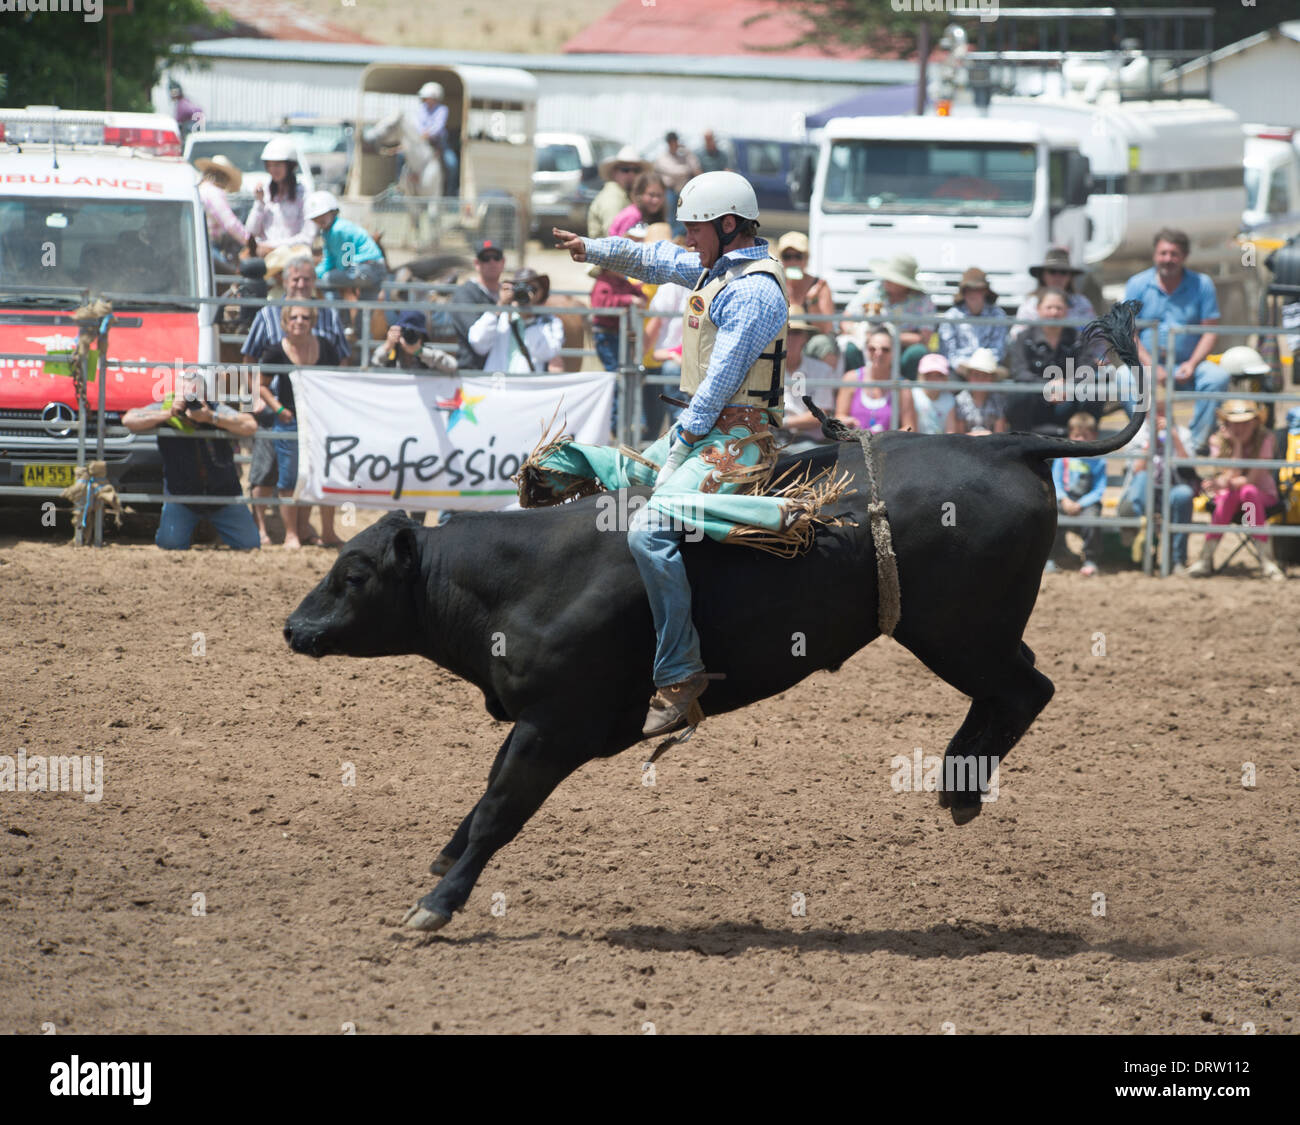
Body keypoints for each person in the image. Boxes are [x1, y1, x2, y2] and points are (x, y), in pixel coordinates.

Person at [550, 171, 798, 737]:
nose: (688, 238)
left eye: (695, 228)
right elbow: (656, 261)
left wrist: (680, 444)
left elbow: (721, 380)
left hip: (739, 442)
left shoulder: (755, 290)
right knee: (585, 464)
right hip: (706, 429)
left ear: (728, 225)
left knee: (648, 530)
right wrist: (595, 249)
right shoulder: (721, 269)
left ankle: (682, 672)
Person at [241, 253, 351, 545]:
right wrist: (254, 399)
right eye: (296, 279)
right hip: (275, 405)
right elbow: (249, 357)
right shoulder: (267, 314)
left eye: (307, 279)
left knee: (309, 471)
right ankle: (262, 529)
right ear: (285, 281)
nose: (301, 284)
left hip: (315, 411)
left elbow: (341, 358)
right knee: (266, 471)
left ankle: (304, 529)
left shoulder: (328, 314)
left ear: (314, 282)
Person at [122, 376, 260, 551]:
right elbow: (129, 420)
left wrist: (210, 417)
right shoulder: (166, 408)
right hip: (181, 496)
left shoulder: (214, 408)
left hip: (224, 495)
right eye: (185, 394)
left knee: (250, 544)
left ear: (204, 394)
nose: (190, 400)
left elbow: (250, 425)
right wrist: (169, 413)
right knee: (170, 545)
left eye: (194, 394)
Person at [1124, 228, 1230, 452]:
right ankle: (1145, 439)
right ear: (1154, 255)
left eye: (1174, 254)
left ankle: (1195, 443)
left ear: (1184, 256)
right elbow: (1128, 333)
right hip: (1148, 364)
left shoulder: (1202, 284)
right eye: (1163, 253)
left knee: (1217, 377)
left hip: (1188, 365)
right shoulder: (1137, 284)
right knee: (1123, 377)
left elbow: (1210, 331)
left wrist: (1191, 364)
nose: (1167, 259)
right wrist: (1149, 364)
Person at [259, 305, 343, 549]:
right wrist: (279, 409)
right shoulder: (275, 351)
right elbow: (261, 385)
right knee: (289, 479)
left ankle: (326, 533)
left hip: (320, 422)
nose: (299, 321)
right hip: (289, 421)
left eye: (305, 317)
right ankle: (291, 534)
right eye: (294, 317)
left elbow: (336, 382)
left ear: (313, 321)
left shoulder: (326, 347)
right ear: (285, 322)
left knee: (321, 475)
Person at [1186, 400, 1285, 580]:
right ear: (1227, 424)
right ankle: (1207, 559)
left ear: (1255, 422)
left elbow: (1249, 480)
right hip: (1232, 500)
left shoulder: (1266, 439)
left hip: (1259, 499)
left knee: (1247, 492)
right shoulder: (1217, 440)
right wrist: (1238, 446)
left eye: (1245, 422)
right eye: (1235, 422)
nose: (1240, 428)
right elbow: (1228, 478)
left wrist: (1225, 482)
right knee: (1233, 494)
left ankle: (1266, 560)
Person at [1117, 394, 1197, 572]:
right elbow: (1136, 470)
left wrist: (1174, 437)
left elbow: (1188, 468)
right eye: (1154, 411)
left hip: (1172, 488)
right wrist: (1151, 441)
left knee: (1184, 494)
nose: (1159, 416)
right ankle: (1144, 541)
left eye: (1163, 411)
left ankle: (1177, 560)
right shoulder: (1137, 434)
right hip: (1144, 492)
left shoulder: (1183, 433)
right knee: (1142, 479)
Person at [1004, 287, 1094, 434]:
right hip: (1035, 399)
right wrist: (1048, 386)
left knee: (1094, 390)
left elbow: (1087, 370)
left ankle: (1083, 445)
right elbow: (1018, 371)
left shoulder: (1078, 339)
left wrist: (1066, 386)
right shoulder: (1024, 338)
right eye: (1049, 307)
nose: (1054, 312)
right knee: (1017, 394)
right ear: (1038, 309)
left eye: (1059, 308)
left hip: (1067, 399)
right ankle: (1020, 444)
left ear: (1066, 311)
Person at [840, 254, 936, 370]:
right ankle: (858, 384)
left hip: (903, 348)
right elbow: (846, 319)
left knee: (917, 353)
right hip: (868, 344)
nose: (887, 280)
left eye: (892, 278)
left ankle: (905, 385)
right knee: (850, 350)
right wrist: (861, 333)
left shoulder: (923, 300)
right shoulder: (872, 290)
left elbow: (924, 338)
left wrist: (889, 337)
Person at [1046, 412, 1108, 576]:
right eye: (1076, 435)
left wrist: (1081, 504)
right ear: (1069, 436)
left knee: (1092, 518)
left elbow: (1099, 489)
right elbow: (1056, 481)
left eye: (1085, 436)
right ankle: (1050, 558)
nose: (1080, 439)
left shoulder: (1098, 461)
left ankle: (1090, 559)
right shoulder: (1063, 457)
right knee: (1051, 515)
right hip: (1065, 499)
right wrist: (1064, 500)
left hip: (1086, 503)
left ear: (1094, 436)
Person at [469, 269, 563, 373]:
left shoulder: (552, 322)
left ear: (541, 293)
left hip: (527, 386)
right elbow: (477, 343)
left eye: (532, 289)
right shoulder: (500, 317)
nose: (526, 293)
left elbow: (546, 353)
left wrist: (529, 320)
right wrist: (500, 304)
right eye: (520, 287)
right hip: (497, 384)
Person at [306, 191, 386, 298]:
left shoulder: (339, 230)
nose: (320, 219)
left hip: (368, 268)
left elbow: (344, 262)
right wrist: (315, 272)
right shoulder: (328, 232)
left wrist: (316, 274)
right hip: (366, 268)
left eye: (323, 214)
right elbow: (330, 259)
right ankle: (340, 313)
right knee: (364, 310)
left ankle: (335, 313)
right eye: (316, 217)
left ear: (333, 212)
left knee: (326, 278)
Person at [777, 231, 835, 376]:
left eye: (798, 256)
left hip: (810, 341)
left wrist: (812, 301)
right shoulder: (775, 283)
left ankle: (824, 391)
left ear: (806, 259)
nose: (792, 262)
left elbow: (826, 329)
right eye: (787, 257)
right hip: (782, 337)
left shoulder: (820, 285)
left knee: (824, 344)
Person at [245, 138, 316, 255]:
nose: (273, 169)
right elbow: (251, 231)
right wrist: (259, 203)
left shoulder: (303, 195)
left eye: (277, 165)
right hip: (263, 256)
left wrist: (273, 246)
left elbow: (307, 237)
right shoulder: (265, 193)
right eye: (269, 165)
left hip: (292, 256)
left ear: (290, 166)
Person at [1012, 247, 1094, 339]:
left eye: (1063, 272)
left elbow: (1095, 336)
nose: (1058, 277)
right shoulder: (1030, 304)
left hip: (1076, 352)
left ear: (1070, 276)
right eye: (1052, 271)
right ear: (1043, 275)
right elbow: (1017, 336)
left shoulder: (1082, 304)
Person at [448, 240, 506, 370]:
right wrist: (501, 305)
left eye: (496, 258)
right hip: (474, 375)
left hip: (503, 374)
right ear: (477, 263)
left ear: (503, 262)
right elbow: (479, 342)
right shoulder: (465, 294)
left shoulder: (509, 293)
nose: (492, 262)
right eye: (485, 258)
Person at [939, 267, 1009, 370]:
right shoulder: (951, 316)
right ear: (963, 293)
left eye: (977, 290)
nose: (972, 294)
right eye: (968, 290)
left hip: (988, 370)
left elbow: (998, 351)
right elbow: (948, 353)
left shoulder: (998, 315)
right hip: (959, 369)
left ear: (985, 292)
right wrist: (964, 367)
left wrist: (982, 367)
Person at [835, 329, 895, 433]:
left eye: (885, 349)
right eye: (872, 349)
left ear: (894, 353)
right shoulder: (851, 378)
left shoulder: (902, 386)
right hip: (854, 445)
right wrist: (847, 421)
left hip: (889, 447)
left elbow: (910, 426)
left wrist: (890, 438)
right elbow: (839, 416)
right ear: (866, 350)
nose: (878, 353)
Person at [195, 156, 249, 262]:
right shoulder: (214, 193)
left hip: (198, 242)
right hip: (208, 245)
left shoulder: (200, 189)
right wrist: (249, 241)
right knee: (231, 271)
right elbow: (230, 223)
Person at [587, 146, 648, 240]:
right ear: (614, 172)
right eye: (625, 170)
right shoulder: (613, 198)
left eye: (636, 170)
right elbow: (613, 238)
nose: (631, 174)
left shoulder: (624, 195)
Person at [372, 308, 459, 372]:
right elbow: (374, 365)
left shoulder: (426, 354)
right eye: (405, 332)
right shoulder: (392, 354)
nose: (409, 336)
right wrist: (387, 346)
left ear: (422, 337)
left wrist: (419, 352)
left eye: (415, 333)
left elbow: (452, 366)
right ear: (399, 333)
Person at [947, 348, 1009, 435]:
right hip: (966, 445)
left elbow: (1000, 433)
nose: (980, 379)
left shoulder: (998, 400)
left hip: (992, 446)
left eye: (985, 375)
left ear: (992, 379)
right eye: (976, 375)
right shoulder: (960, 400)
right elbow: (959, 435)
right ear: (968, 377)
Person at [415, 80, 458, 195]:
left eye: (429, 98)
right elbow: (418, 125)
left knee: (452, 164)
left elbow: (439, 127)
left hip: (439, 143)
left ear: (435, 98)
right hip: (423, 142)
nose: (427, 100)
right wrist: (422, 133)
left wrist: (427, 133)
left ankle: (451, 192)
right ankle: (400, 186)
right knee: (403, 157)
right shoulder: (421, 109)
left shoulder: (442, 109)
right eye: (426, 98)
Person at [898, 353, 956, 435]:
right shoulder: (913, 395)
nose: (933, 379)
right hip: (916, 444)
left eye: (939, 375)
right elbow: (909, 427)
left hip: (941, 445)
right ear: (920, 376)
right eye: (928, 375)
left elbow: (950, 431)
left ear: (945, 378)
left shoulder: (949, 399)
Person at [610, 171, 669, 236]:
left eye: (659, 195)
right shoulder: (632, 216)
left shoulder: (654, 216)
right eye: (651, 195)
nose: (656, 200)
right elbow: (623, 243)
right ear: (639, 194)